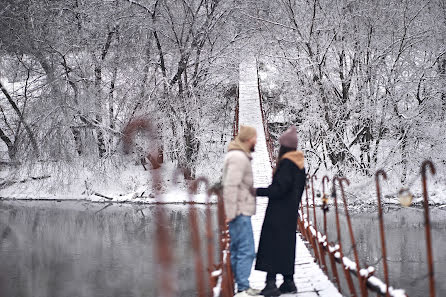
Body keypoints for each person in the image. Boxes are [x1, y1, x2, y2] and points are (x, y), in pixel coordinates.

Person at [253, 126, 306, 297]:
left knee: (271, 246)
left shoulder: (287, 163)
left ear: (284, 146)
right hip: (290, 213)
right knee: (285, 246)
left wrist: (256, 191)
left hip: (278, 214)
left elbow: (278, 189)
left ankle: (270, 284)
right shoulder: (299, 164)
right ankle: (288, 282)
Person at [222, 125, 261, 297]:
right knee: (247, 250)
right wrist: (231, 214)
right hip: (239, 212)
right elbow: (231, 186)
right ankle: (243, 288)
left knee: (238, 250)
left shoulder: (237, 155)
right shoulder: (239, 158)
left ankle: (241, 286)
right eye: (254, 137)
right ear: (248, 139)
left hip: (238, 211)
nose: (256, 141)